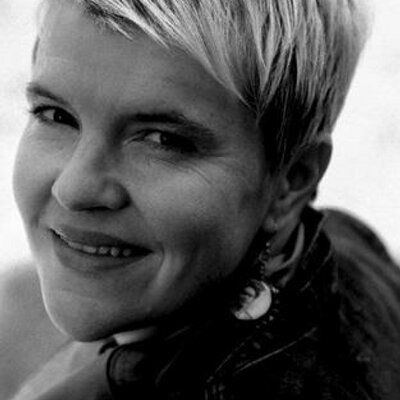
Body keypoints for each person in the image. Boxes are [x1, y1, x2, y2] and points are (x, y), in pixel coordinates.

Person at [6, 0, 400, 398]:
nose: (73, 190)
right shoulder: (341, 242)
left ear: (291, 183)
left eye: (164, 140)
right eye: (55, 115)